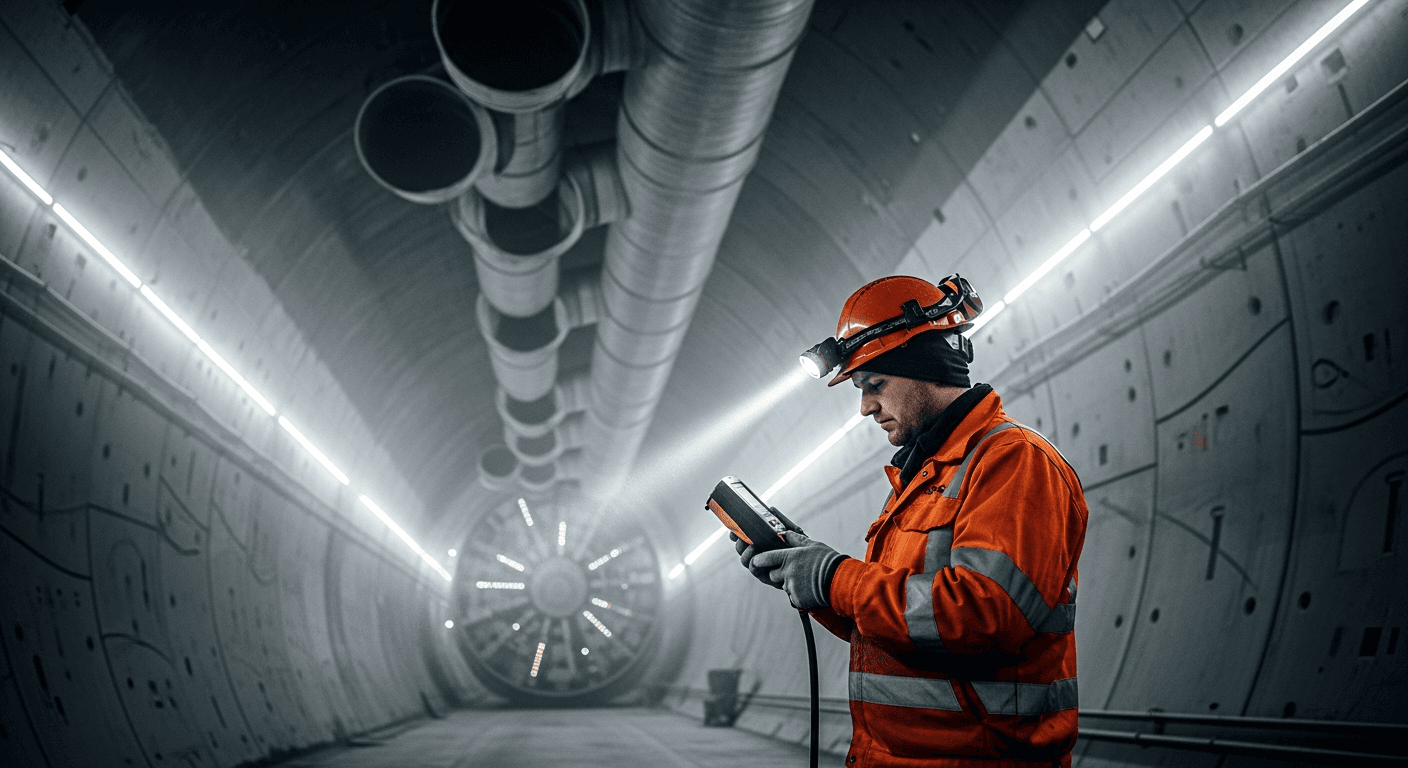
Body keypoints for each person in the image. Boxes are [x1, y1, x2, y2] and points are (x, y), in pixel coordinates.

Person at [736, 275, 1088, 767]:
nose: (865, 408)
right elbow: (901, 626)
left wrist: (834, 577)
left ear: (926, 367)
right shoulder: (920, 480)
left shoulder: (1014, 461)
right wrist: (809, 576)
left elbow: (984, 618)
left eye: (874, 385)